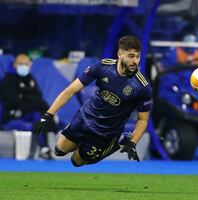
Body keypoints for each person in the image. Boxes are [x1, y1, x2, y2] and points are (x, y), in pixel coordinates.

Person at [32, 35, 152, 166]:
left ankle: (116, 142)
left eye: (138, 56)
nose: (135, 61)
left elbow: (143, 120)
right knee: (58, 151)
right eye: (131, 56)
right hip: (85, 117)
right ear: (119, 54)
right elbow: (70, 90)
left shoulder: (142, 86)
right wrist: (48, 114)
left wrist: (133, 142)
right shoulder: (102, 67)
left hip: (106, 133)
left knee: (76, 162)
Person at [0, 53, 55, 160]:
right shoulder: (7, 81)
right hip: (12, 118)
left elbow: (39, 99)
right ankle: (42, 149)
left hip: (29, 114)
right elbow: (14, 102)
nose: (23, 66)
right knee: (32, 125)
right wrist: (30, 97)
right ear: (15, 65)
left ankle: (45, 149)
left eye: (26, 64)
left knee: (41, 118)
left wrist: (24, 95)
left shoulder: (31, 79)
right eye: (20, 64)